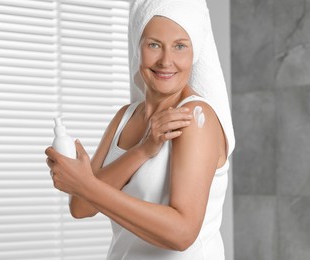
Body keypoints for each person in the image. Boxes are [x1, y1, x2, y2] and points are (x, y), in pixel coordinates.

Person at [45, 0, 235, 259]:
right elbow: (81, 206)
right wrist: (142, 150)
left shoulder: (194, 117)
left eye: (180, 46)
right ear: (138, 45)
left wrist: (86, 184)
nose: (166, 61)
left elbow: (183, 233)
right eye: (154, 44)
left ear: (195, 52)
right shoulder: (124, 117)